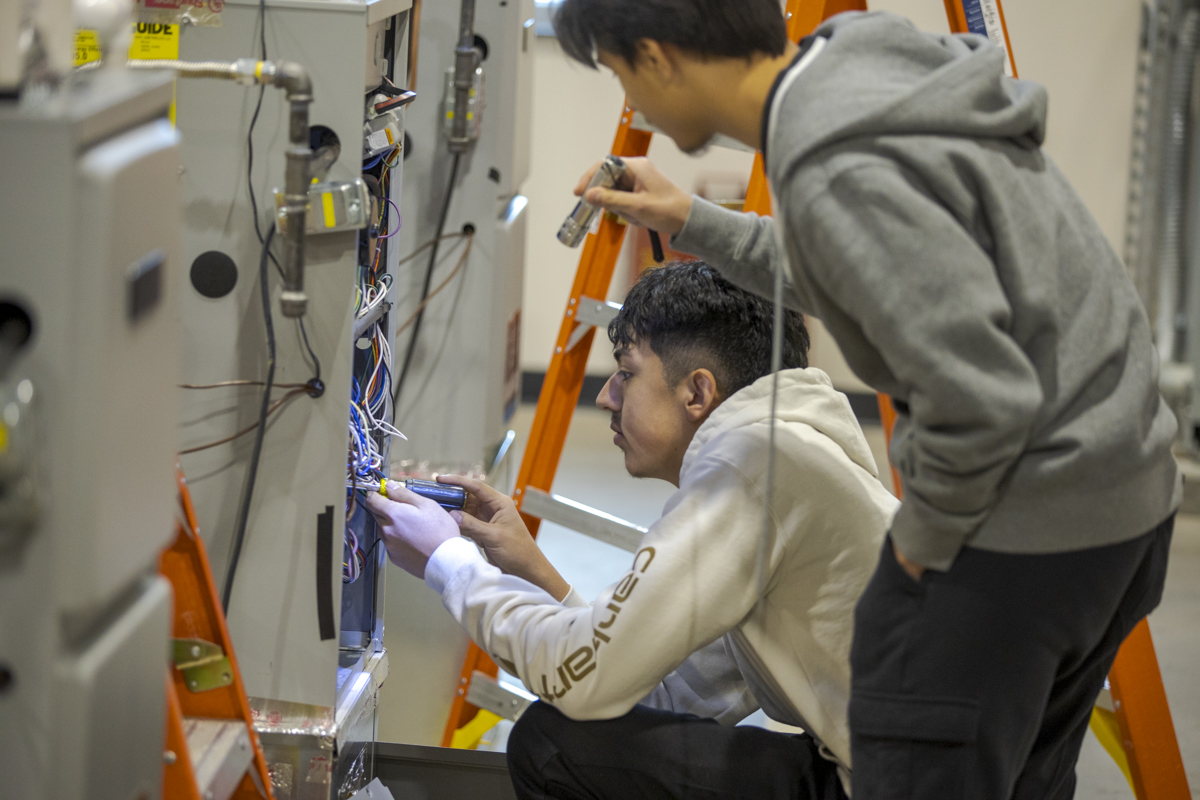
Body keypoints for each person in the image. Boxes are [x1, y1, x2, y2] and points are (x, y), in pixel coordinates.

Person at [551, 2, 1181, 799]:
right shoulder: (856, 67)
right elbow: (865, 259)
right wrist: (693, 221)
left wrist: (915, 564)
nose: (633, 106)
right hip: (1124, 503)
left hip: (1025, 529)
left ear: (657, 55)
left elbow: (984, 398)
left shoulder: (830, 162)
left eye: (620, 74)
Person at [365, 260, 899, 799]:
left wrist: (448, 562)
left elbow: (577, 684)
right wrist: (529, 566)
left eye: (627, 373)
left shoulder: (751, 470)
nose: (606, 397)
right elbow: (662, 696)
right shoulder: (791, 454)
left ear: (697, 393)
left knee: (552, 745)